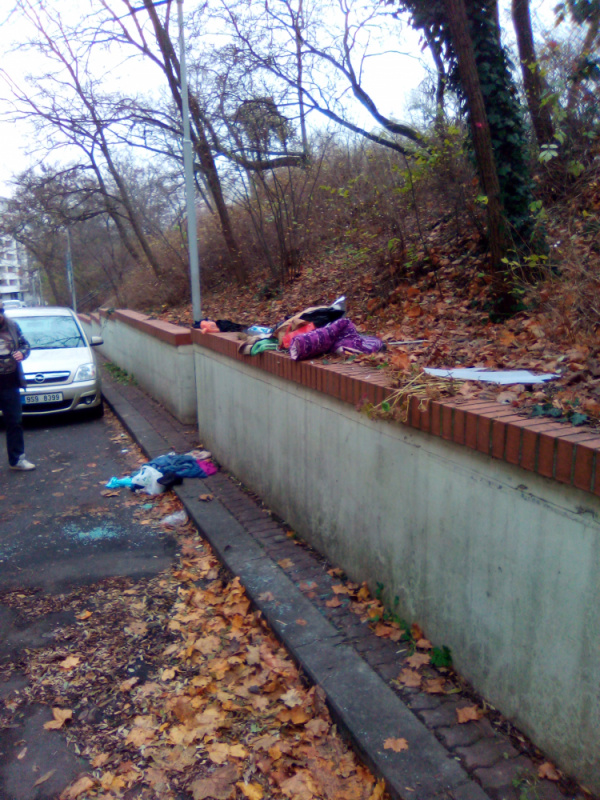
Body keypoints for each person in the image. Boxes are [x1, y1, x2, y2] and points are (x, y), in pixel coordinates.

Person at [0, 302, 35, 470]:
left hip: (10, 382)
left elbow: (25, 345)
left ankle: (17, 460)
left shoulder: (12, 326)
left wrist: (22, 353)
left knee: (14, 421)